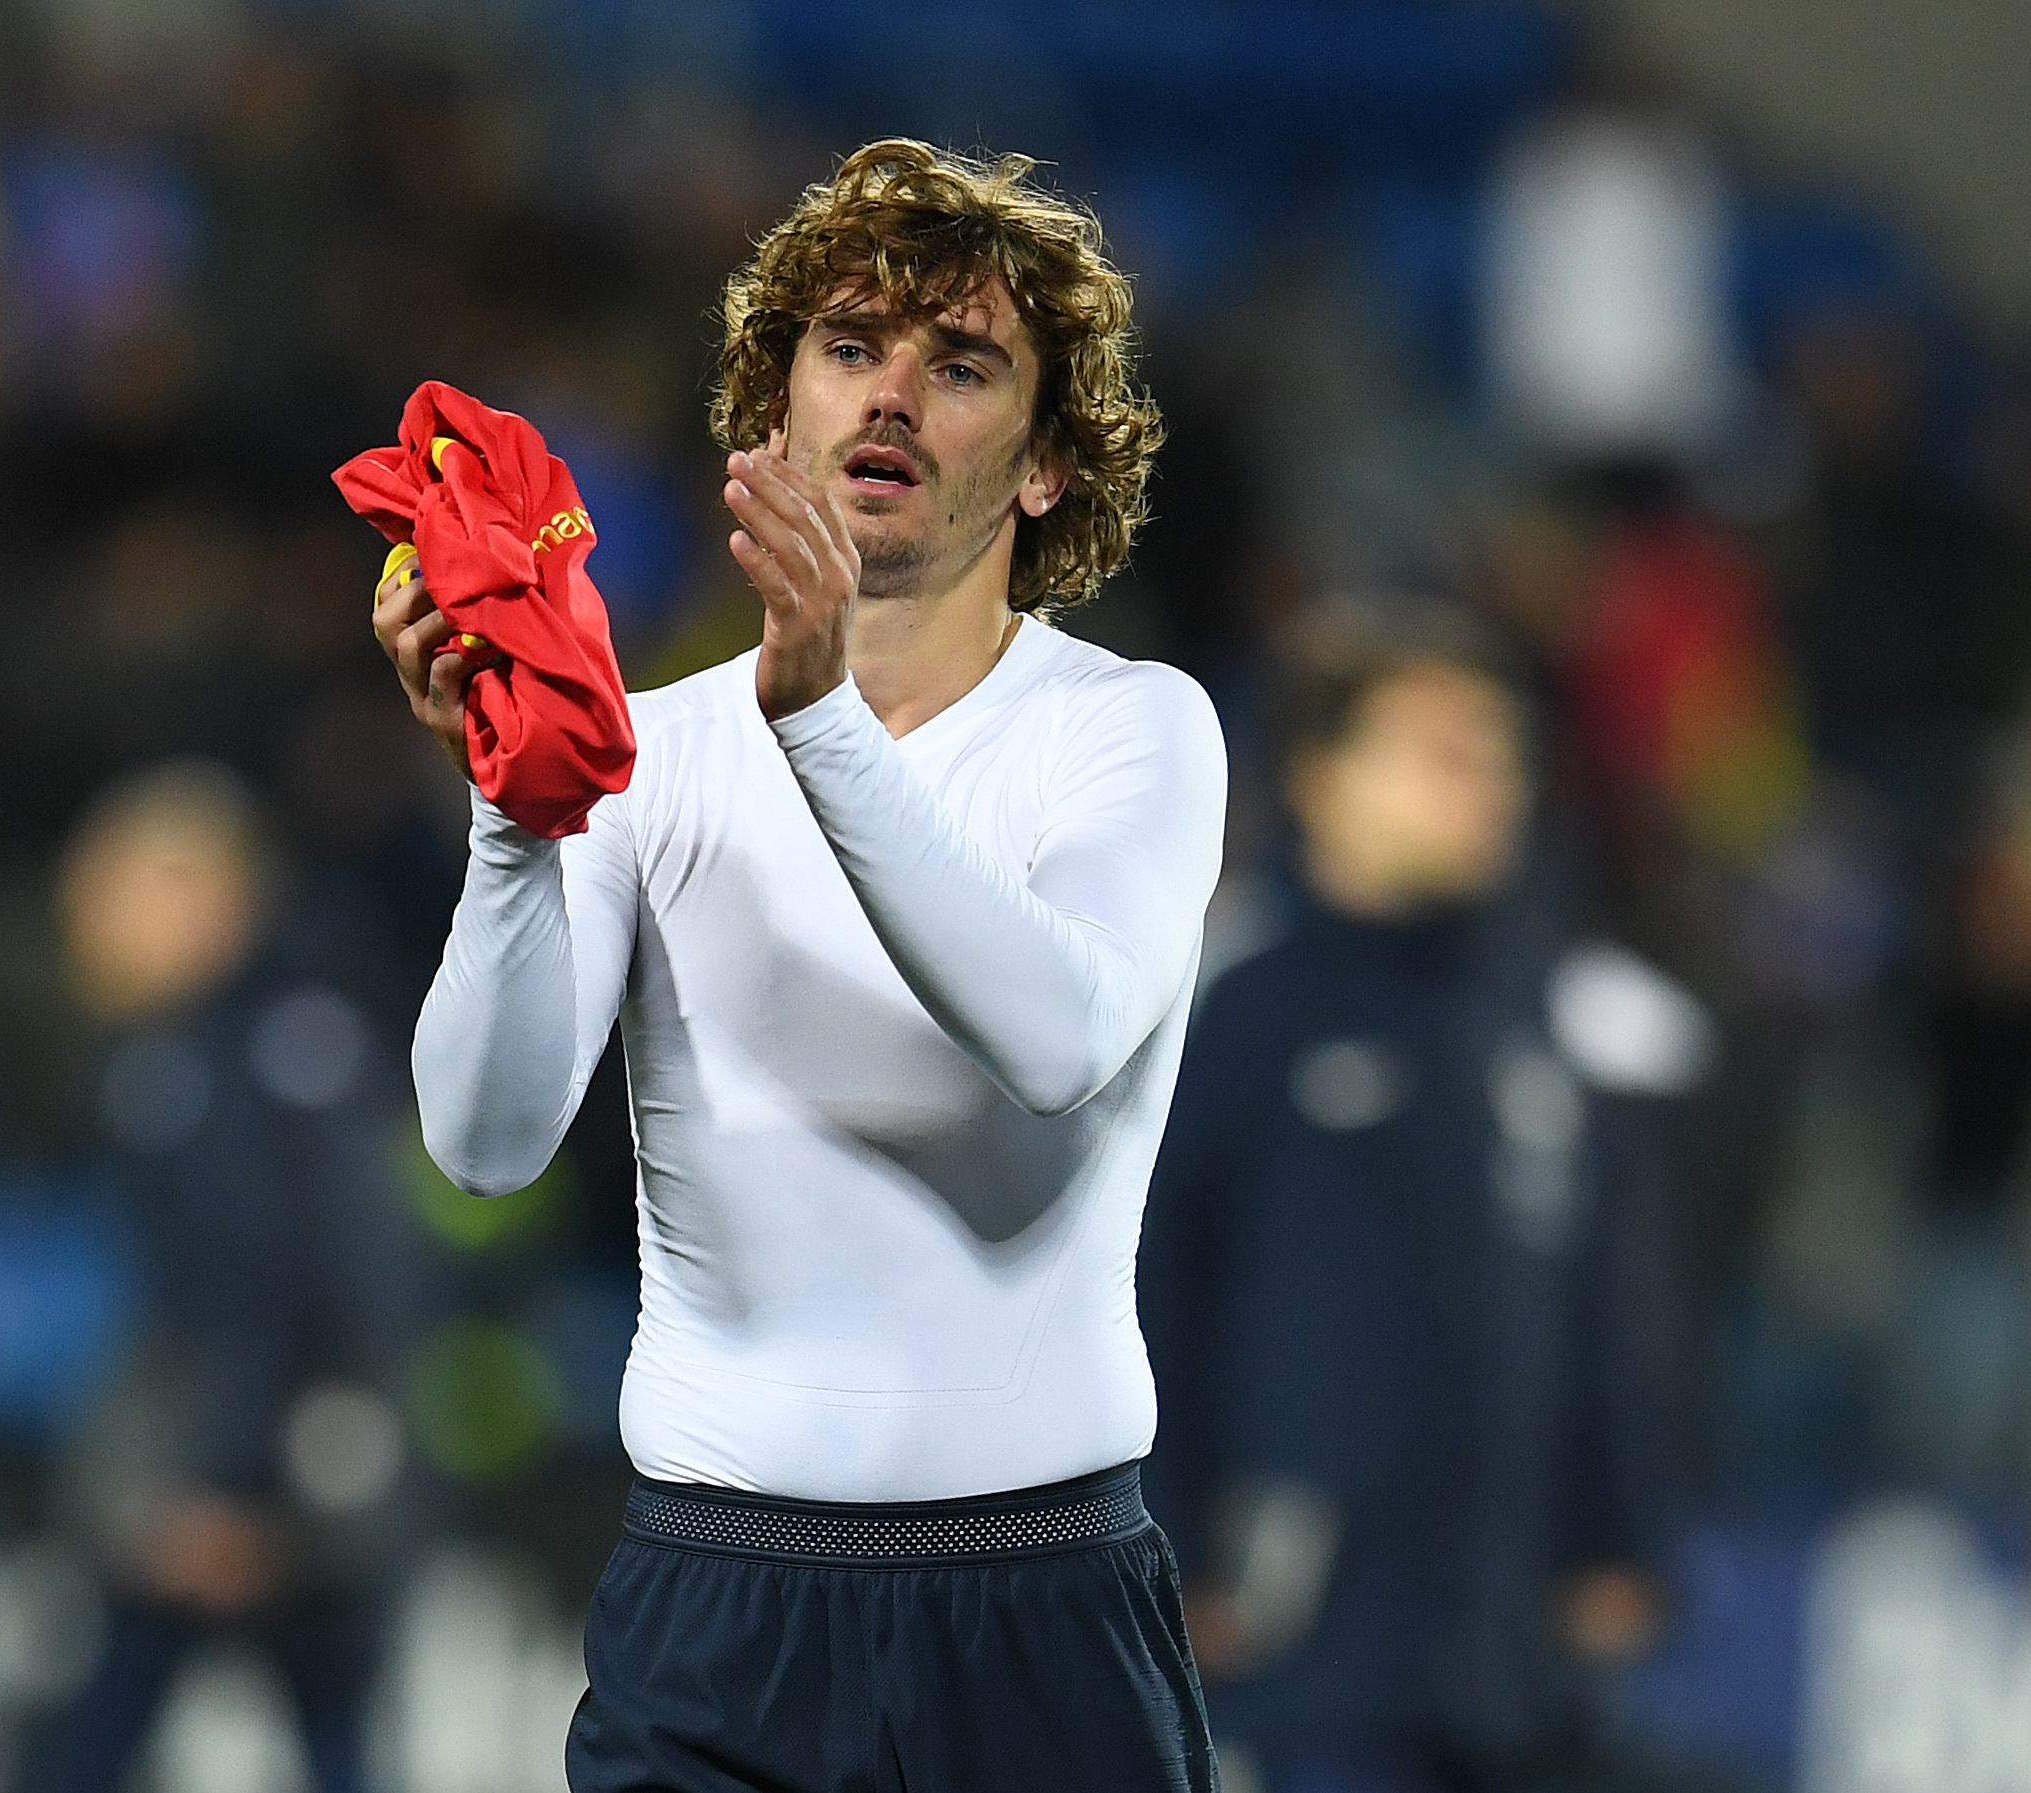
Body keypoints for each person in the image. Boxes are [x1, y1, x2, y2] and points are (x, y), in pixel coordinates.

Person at [371, 140, 1228, 1791]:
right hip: (720, 1605)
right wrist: (511, 795)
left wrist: (821, 714)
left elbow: (1052, 1037)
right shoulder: (651, 756)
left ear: (1048, 463)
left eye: (960, 364)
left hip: (1035, 1608)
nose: (890, 398)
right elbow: (480, 1147)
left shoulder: (1134, 730)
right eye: (849, 349)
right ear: (776, 415)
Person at [1138, 619, 1689, 1793]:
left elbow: (1603, 1298)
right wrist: (1164, 1543)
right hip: (1309, 1641)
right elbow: (1145, 1293)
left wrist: (1614, 1531)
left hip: (1512, 1646)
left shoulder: (1544, 1019)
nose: (1489, 789)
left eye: (1501, 759)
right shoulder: (1237, 1011)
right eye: (1441, 752)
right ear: (1322, 777)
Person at [20, 759, 420, 1793]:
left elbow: (274, 1280)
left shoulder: (243, 1061)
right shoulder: (215, 1047)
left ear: (205, 893)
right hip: (268, 1472)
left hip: (267, 1483)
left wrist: (230, 1487)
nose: (85, 923)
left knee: (105, 1738)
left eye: (110, 890)